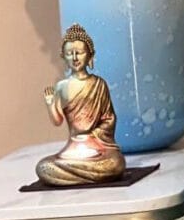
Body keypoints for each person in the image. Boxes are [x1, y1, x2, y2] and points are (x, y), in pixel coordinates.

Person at [38, 22, 126, 185]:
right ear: (63, 57)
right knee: (44, 167)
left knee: (116, 164)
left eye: (79, 52)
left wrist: (94, 137)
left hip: (97, 147)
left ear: (90, 55)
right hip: (72, 149)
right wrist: (51, 104)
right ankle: (88, 174)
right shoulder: (61, 87)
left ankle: (77, 174)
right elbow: (57, 121)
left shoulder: (99, 84)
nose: (75, 58)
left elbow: (109, 118)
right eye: (70, 53)